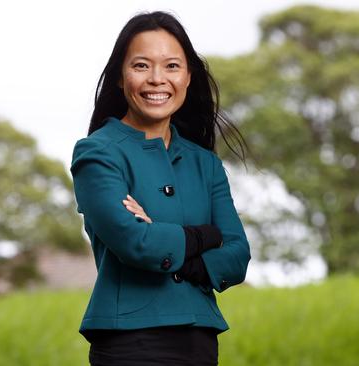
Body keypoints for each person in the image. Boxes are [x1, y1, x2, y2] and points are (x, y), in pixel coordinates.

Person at [70, 10, 250, 366]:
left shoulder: (206, 163)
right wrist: (204, 236)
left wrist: (168, 239)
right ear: (121, 77)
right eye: (141, 66)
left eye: (171, 66)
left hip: (200, 340)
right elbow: (136, 243)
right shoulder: (97, 153)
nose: (156, 79)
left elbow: (237, 255)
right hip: (130, 343)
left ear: (188, 76)